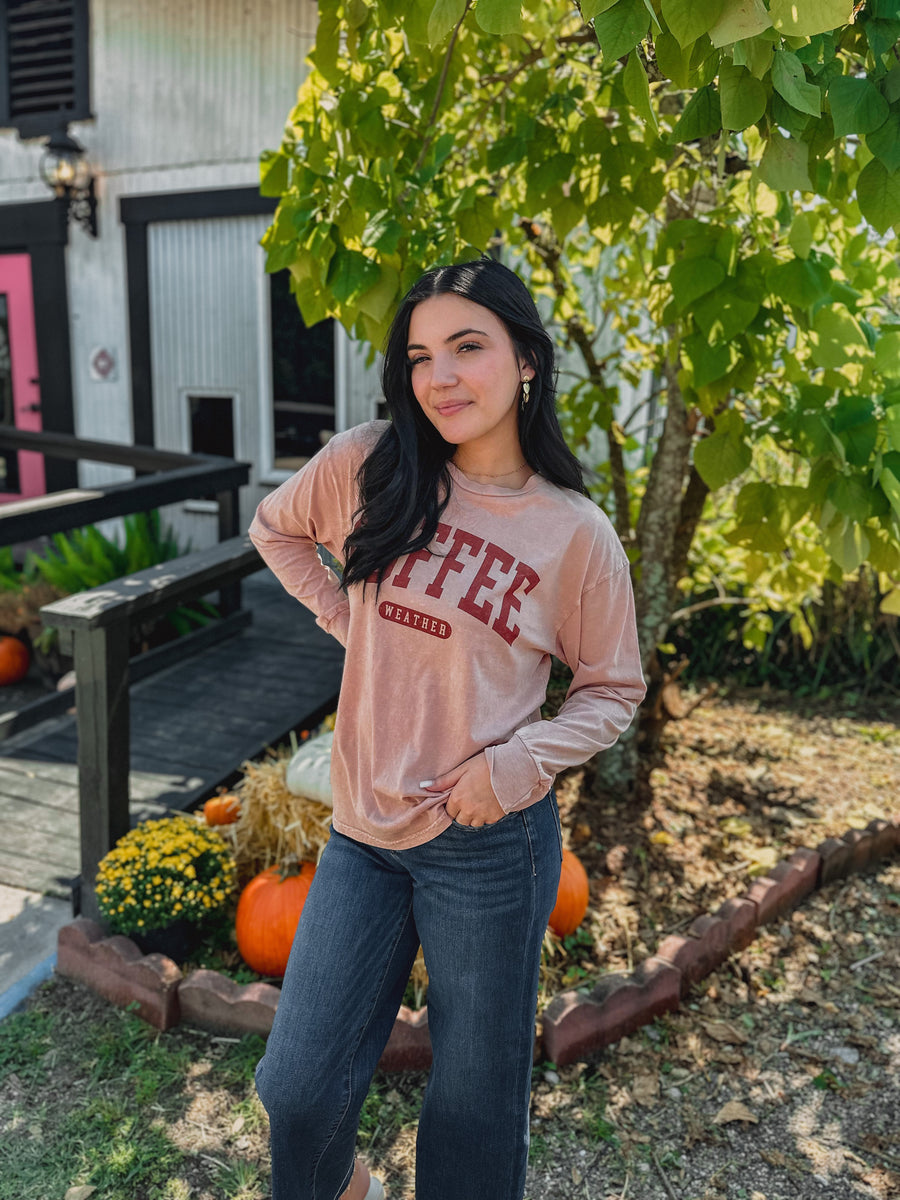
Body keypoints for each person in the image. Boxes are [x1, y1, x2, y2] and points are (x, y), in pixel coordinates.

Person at [248, 258, 647, 1200]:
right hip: (363, 830)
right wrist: (350, 623)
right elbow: (277, 529)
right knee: (297, 1090)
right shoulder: (370, 465)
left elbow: (612, 690)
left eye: (469, 347)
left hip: (489, 845)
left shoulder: (573, 534)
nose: (441, 377)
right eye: (421, 356)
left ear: (526, 364)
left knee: (473, 1109)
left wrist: (514, 766)